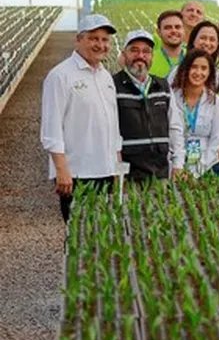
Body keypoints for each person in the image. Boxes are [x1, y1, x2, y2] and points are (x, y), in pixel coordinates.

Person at [41, 15, 121, 222]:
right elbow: (51, 128)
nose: (100, 44)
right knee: (79, 233)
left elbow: (113, 125)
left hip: (105, 168)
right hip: (77, 172)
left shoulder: (105, 76)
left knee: (102, 231)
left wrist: (117, 166)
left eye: (105, 40)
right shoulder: (60, 75)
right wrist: (61, 170)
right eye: (94, 38)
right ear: (79, 39)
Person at [112, 30, 172, 183]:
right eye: (134, 50)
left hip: (160, 172)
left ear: (152, 57)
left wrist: (177, 164)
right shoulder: (112, 85)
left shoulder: (162, 86)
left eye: (146, 51)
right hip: (129, 174)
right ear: (124, 55)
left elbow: (175, 127)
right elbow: (109, 132)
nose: (141, 56)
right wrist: (117, 171)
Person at [169, 50, 219, 178]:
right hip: (176, 166)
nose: (198, 73)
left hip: (208, 166)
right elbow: (171, 135)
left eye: (204, 68)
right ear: (185, 69)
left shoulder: (216, 101)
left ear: (210, 73)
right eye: (194, 67)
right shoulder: (172, 98)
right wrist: (178, 167)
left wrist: (197, 171)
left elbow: (217, 140)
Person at [149, 10, 186, 78]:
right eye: (168, 28)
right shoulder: (149, 59)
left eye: (177, 27)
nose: (173, 31)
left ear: (184, 30)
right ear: (159, 32)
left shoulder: (194, 57)